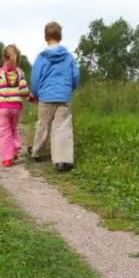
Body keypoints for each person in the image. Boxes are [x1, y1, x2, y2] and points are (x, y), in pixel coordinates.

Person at [29, 21, 80, 172]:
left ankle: (36, 152)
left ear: (46, 37)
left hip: (46, 96)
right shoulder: (68, 57)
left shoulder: (41, 58)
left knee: (43, 125)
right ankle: (62, 160)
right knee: (62, 127)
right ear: (60, 37)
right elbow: (76, 76)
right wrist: (69, 88)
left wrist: (37, 93)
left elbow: (35, 79)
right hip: (63, 96)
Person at [0, 45, 30, 167]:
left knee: (4, 132)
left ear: (4, 58)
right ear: (17, 59)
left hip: (3, 108)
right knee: (13, 129)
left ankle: (7, 158)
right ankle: (14, 148)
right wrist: (31, 97)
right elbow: (24, 91)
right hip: (16, 108)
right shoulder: (20, 73)